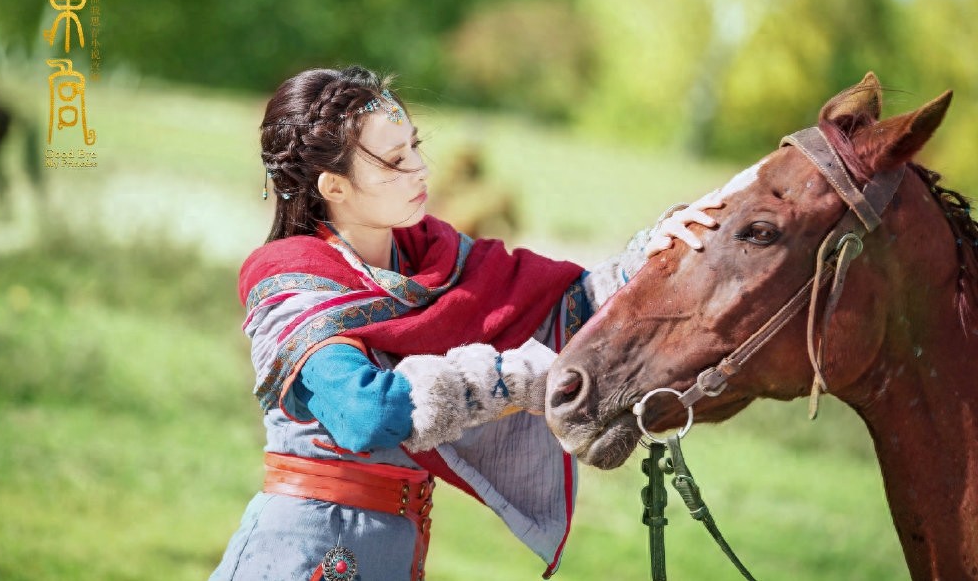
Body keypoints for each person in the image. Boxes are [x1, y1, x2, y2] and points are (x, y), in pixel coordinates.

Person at [209, 66, 720, 581]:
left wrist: (662, 253)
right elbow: (365, 413)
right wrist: (506, 378)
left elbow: (568, 304)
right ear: (333, 186)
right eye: (394, 160)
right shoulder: (292, 284)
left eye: (414, 146)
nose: (420, 169)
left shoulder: (436, 257)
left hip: (398, 553)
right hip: (300, 556)